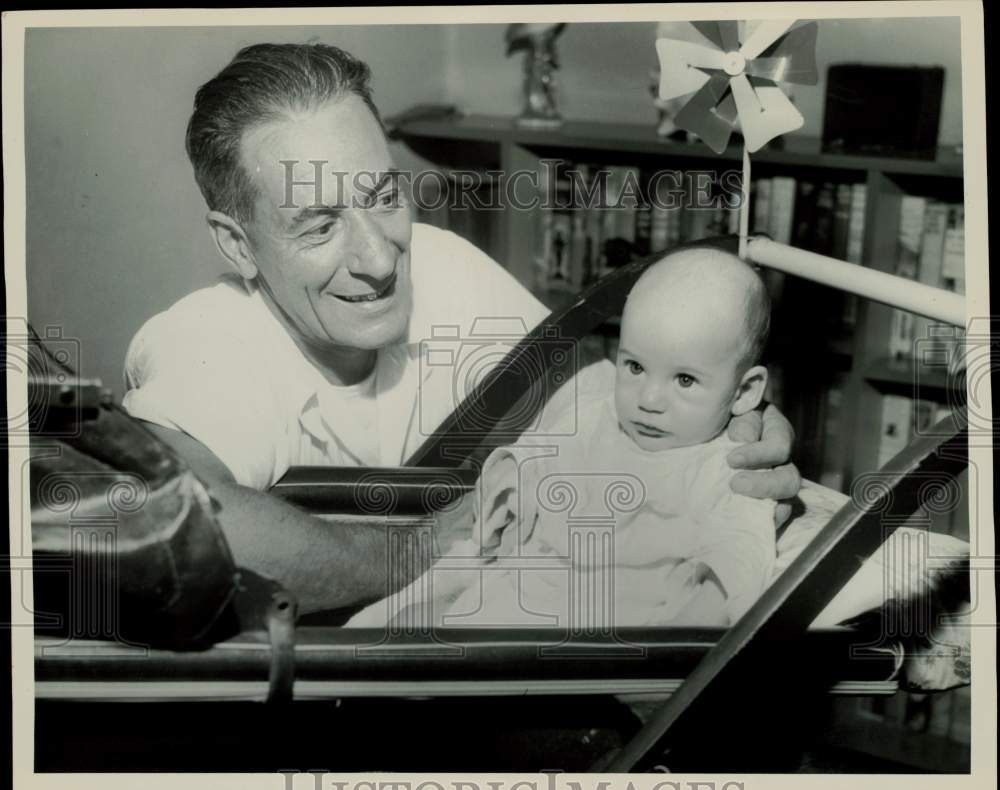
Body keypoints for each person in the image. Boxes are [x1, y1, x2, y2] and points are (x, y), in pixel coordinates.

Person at [121, 42, 801, 614]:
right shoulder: (203, 343)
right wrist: (424, 545)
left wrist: (735, 427)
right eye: (321, 226)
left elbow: (598, 404)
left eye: (383, 197)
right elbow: (184, 523)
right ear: (238, 246)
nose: (380, 258)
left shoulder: (442, 266)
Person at [352, 248, 776, 628]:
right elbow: (539, 454)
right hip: (526, 587)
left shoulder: (727, 474)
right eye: (634, 367)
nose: (648, 399)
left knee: (425, 656)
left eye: (684, 379)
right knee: (404, 624)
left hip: (606, 629)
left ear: (744, 391)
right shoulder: (597, 419)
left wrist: (675, 650)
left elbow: (736, 565)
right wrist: (513, 482)